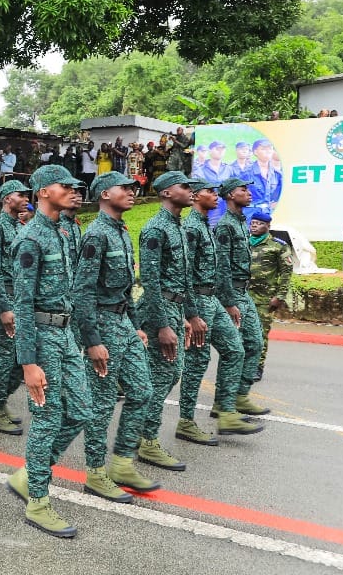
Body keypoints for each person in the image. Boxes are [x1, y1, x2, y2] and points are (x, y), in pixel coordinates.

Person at [4, 165, 91, 538]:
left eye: (75, 186)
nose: (74, 190)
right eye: (64, 186)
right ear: (42, 192)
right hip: (40, 337)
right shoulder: (31, 239)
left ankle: (30, 472)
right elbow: (22, 304)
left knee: (82, 409)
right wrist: (28, 362)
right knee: (47, 419)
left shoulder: (65, 233)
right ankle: (38, 500)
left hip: (65, 334)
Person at [72, 171, 159, 502]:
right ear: (105, 195)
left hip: (122, 321)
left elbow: (126, 288)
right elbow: (82, 292)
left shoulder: (121, 232)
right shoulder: (95, 235)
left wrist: (135, 323)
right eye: (124, 188)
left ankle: (122, 462)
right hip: (102, 325)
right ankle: (95, 471)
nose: (132, 192)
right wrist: (92, 340)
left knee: (142, 391)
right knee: (103, 401)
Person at [180, 179, 262, 439]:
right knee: (197, 361)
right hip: (200, 300)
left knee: (236, 350)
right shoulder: (192, 228)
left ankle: (226, 410)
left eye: (216, 192)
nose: (215, 196)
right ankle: (185, 421)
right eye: (210, 192)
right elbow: (186, 272)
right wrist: (192, 313)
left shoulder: (206, 225)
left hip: (213, 297)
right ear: (194, 196)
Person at [136, 171, 205, 472]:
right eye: (185, 186)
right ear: (166, 192)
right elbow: (150, 283)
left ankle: (141, 433)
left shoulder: (177, 227)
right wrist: (163, 324)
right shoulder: (155, 229)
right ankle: (145, 440)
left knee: (168, 374)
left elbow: (184, 279)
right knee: (161, 375)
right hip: (158, 310)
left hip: (173, 309)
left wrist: (189, 314)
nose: (191, 191)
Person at [214, 178, 271, 417]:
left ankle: (240, 395)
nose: (248, 193)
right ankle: (223, 403)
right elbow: (222, 266)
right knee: (234, 349)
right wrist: (228, 301)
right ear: (229, 195)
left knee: (255, 343)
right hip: (232, 294)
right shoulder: (225, 226)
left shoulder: (240, 223)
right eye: (243, 190)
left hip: (243, 292)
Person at [0, 180, 30, 435]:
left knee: (21, 358)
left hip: (18, 299)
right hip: (3, 299)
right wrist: (2, 307)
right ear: (7, 198)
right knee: (6, 357)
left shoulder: (17, 226)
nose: (25, 198)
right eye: (21, 194)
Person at [249, 211, 293, 380]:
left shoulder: (278, 245)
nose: (254, 225)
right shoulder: (244, 242)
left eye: (259, 223)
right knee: (242, 334)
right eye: (252, 222)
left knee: (260, 333)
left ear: (268, 226)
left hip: (265, 299)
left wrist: (280, 297)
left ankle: (257, 367)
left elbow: (286, 273)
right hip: (243, 296)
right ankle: (243, 365)